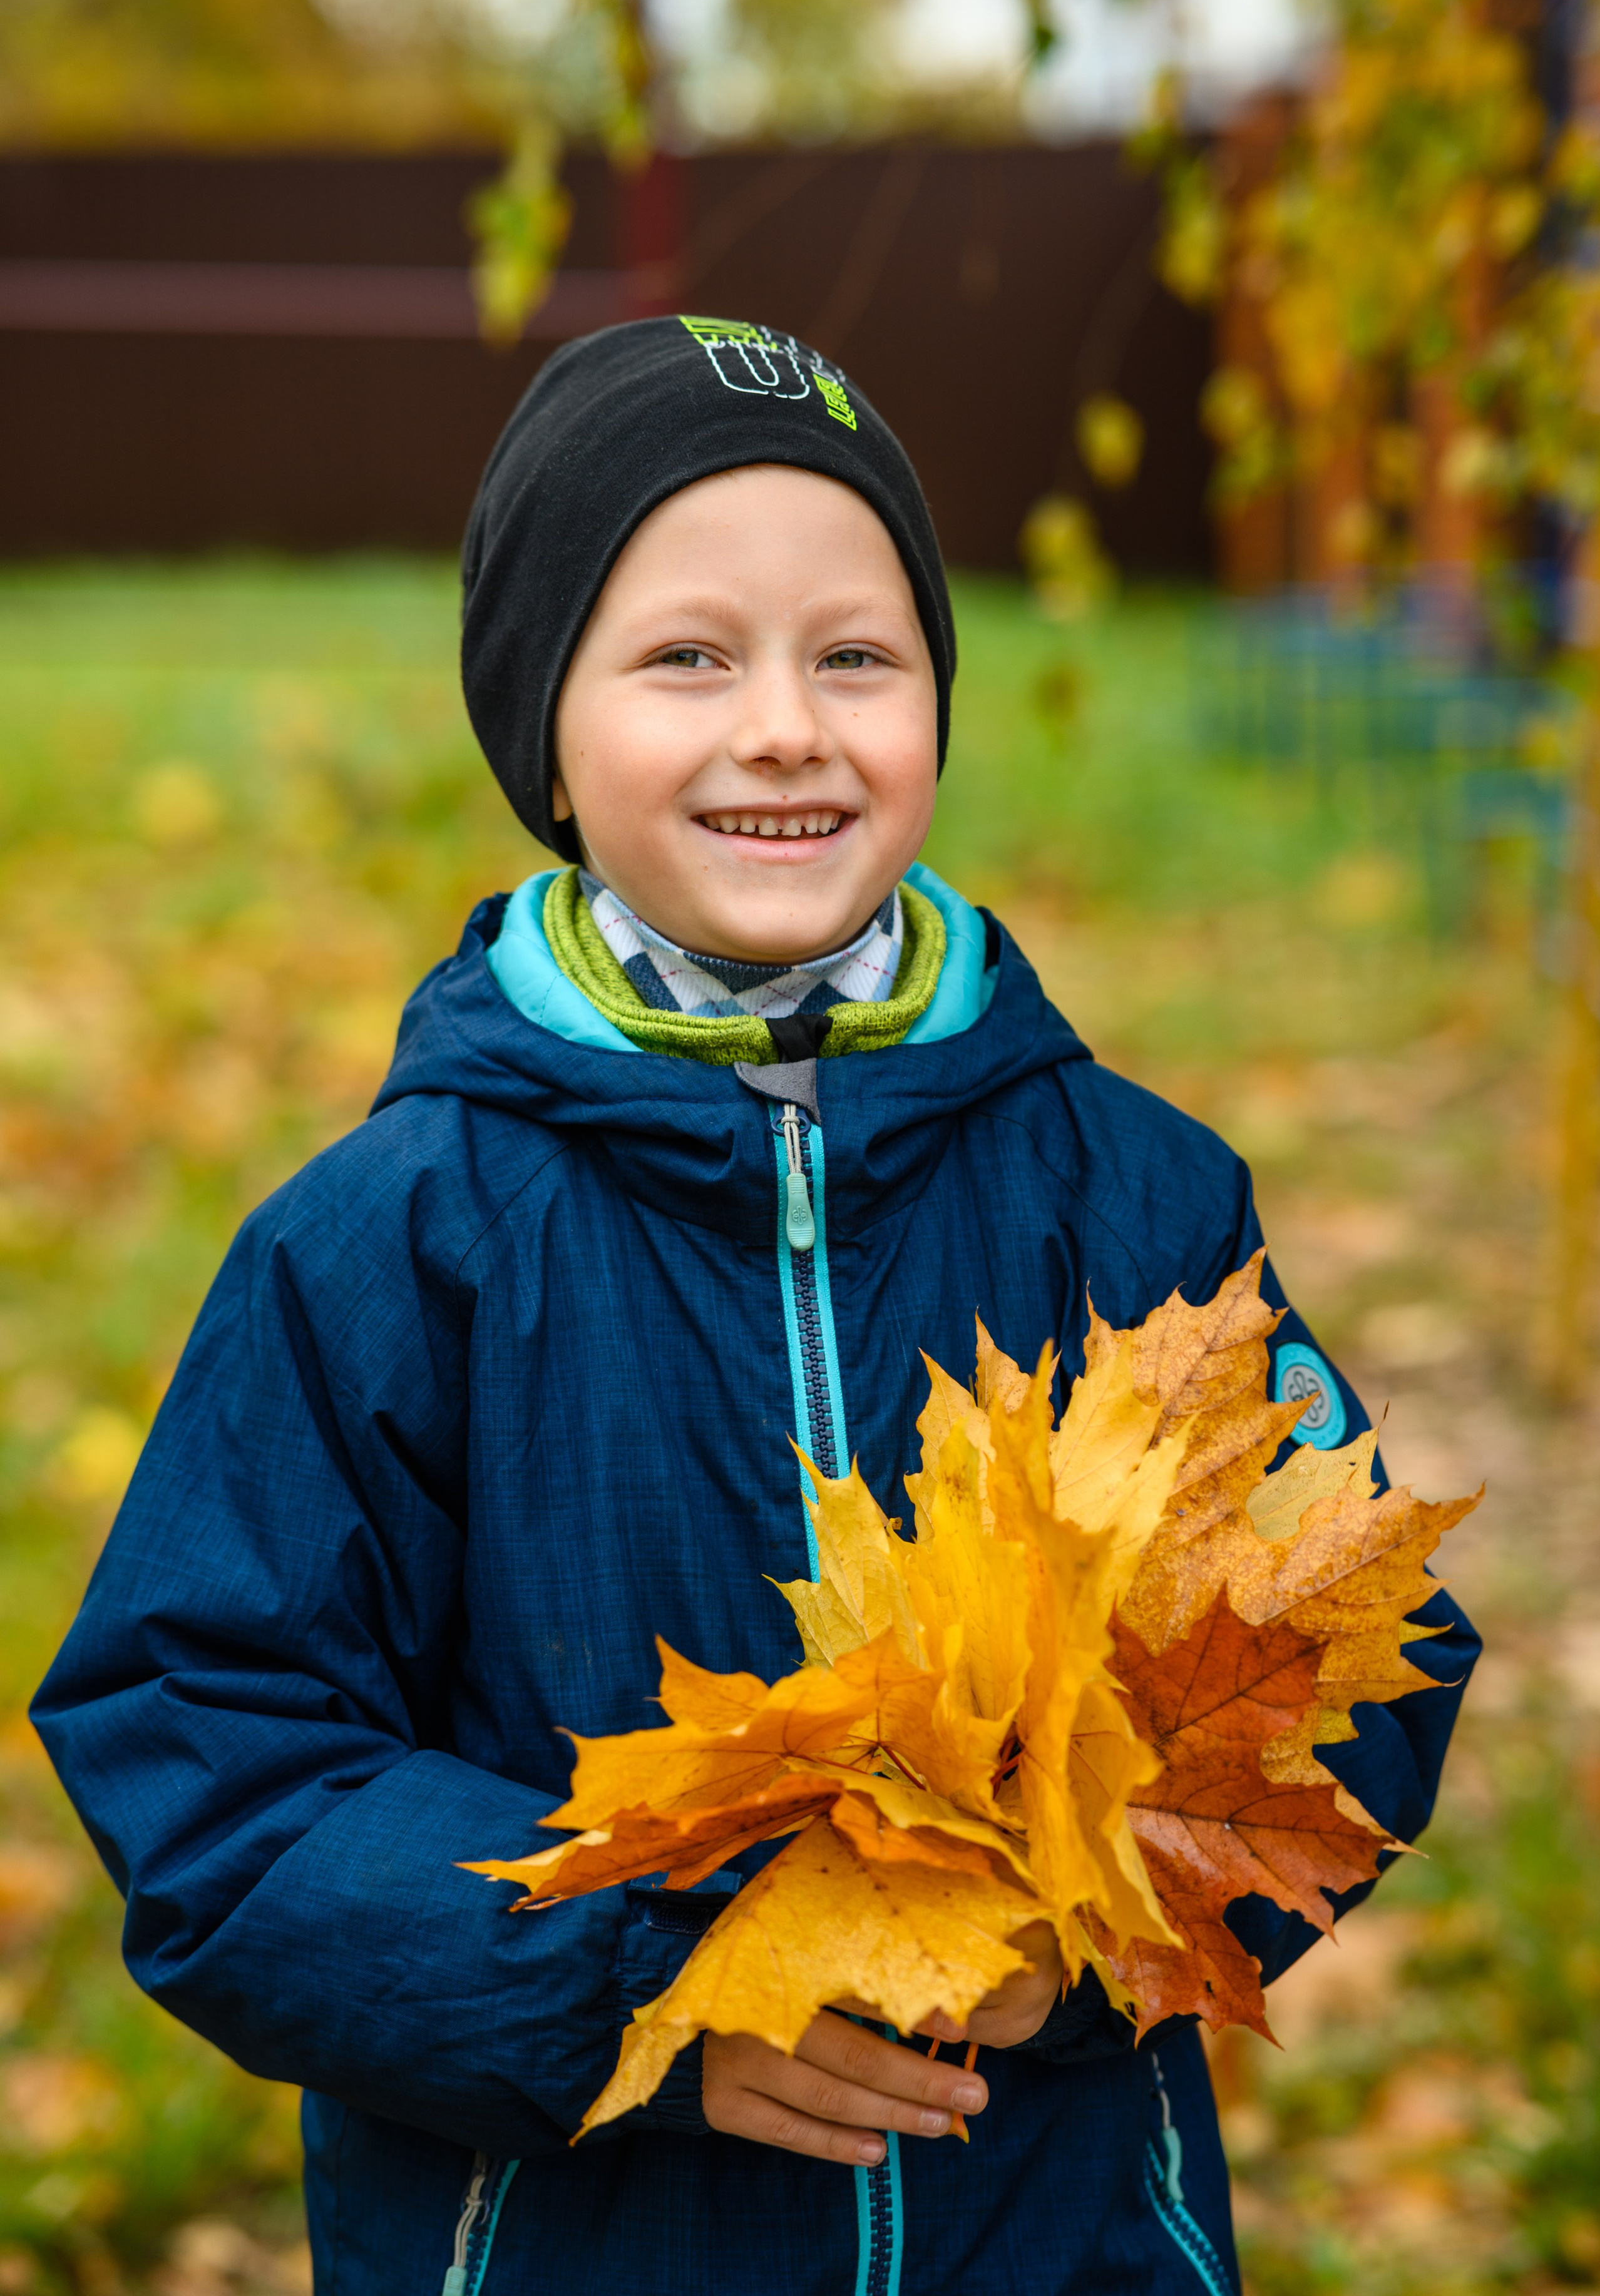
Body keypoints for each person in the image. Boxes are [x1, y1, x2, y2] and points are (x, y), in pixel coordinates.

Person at [33, 315, 1478, 2296]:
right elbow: (212, 1754)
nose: (787, 724)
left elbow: (1344, 1644)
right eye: (688, 655)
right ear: (546, 724)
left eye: (857, 655)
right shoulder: (388, 1245)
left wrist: (1080, 1929)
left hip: (1056, 2245)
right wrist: (652, 1981)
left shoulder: (1132, 1198)